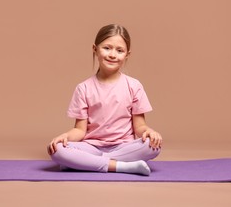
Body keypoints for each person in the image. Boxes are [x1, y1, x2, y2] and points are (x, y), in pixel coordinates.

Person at [47, 24, 162, 176]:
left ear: (127, 54)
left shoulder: (134, 86)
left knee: (152, 146)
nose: (113, 55)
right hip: (91, 146)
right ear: (95, 49)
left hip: (124, 147)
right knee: (57, 150)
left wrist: (149, 131)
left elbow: (139, 126)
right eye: (107, 48)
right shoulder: (83, 88)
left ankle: (84, 163)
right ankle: (122, 166)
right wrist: (66, 137)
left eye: (119, 50)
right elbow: (80, 130)